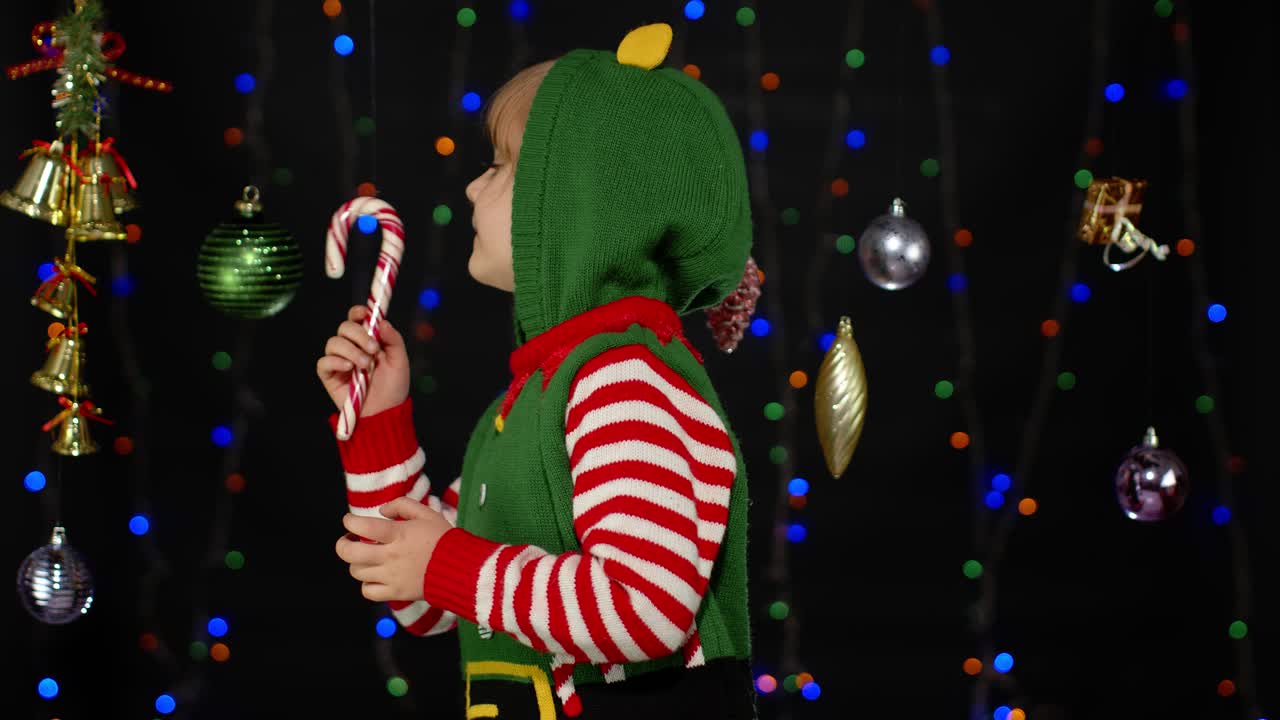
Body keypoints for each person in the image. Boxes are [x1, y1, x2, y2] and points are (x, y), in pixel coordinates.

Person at [317, 22, 757, 719]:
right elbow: (422, 600)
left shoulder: (625, 381)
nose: (469, 188)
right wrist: (378, 421)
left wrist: (447, 563)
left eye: (498, 167)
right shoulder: (536, 398)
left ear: (579, 208)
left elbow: (644, 608)